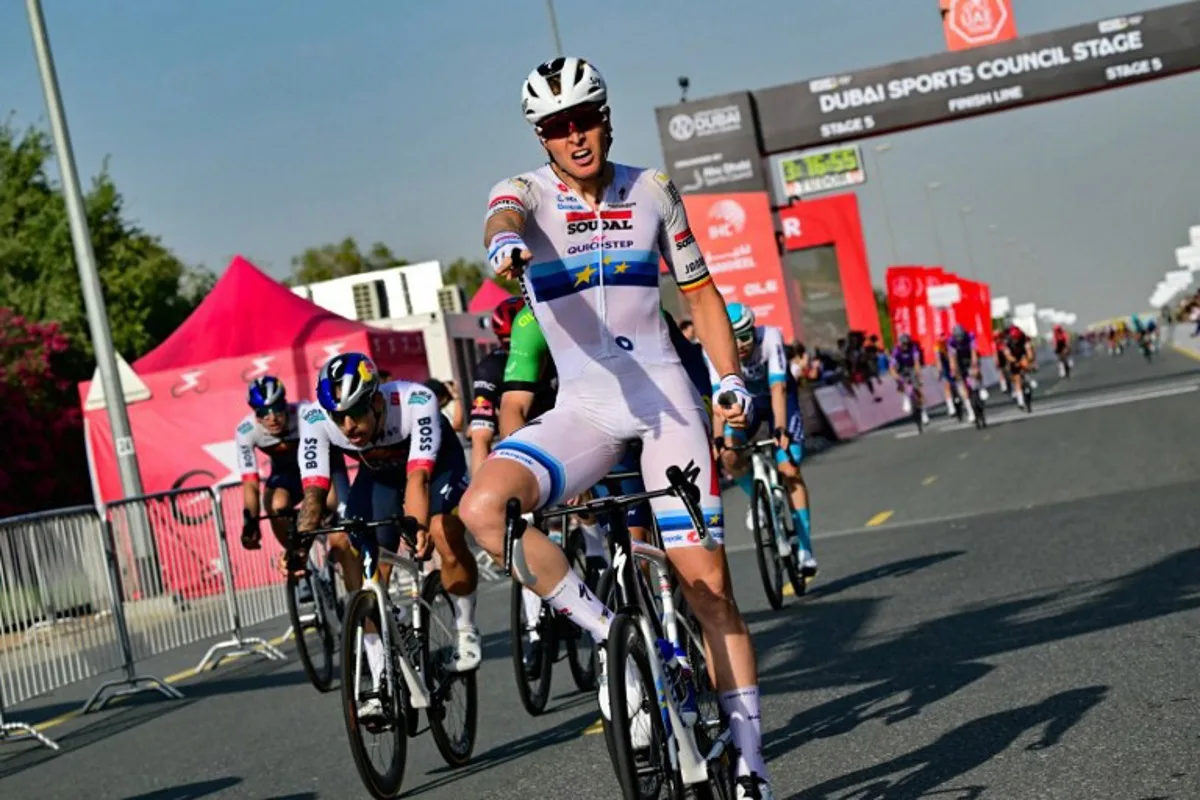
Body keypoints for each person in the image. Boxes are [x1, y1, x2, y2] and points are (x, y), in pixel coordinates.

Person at [458, 57, 773, 798]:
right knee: (480, 507)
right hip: (586, 412)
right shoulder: (526, 194)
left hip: (664, 405)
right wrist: (505, 244)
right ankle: (615, 639)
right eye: (557, 128)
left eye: (586, 118)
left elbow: (700, 294)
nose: (575, 136)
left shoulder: (653, 191)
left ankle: (752, 762)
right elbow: (500, 216)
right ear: (542, 136)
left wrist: (728, 379)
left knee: (709, 590)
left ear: (606, 115)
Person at [296, 353, 480, 720]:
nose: (348, 426)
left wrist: (416, 525)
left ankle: (464, 628)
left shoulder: (415, 402)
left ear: (377, 401)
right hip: (381, 475)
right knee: (367, 568)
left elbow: (418, 479)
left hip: (436, 467)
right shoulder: (317, 420)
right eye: (339, 417)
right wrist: (300, 536)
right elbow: (315, 493)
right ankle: (382, 678)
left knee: (442, 532)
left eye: (356, 413)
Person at [708, 303, 817, 578]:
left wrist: (780, 429)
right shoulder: (715, 349)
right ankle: (755, 498)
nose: (742, 345)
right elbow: (719, 399)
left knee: (789, 470)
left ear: (754, 331)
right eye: (735, 339)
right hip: (747, 405)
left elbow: (778, 387)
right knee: (730, 457)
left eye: (746, 336)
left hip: (780, 401)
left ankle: (805, 548)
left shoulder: (771, 337)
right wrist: (718, 438)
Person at [467, 295, 527, 476]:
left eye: (525, 341)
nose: (519, 350)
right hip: (521, 434)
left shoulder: (558, 354)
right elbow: (480, 438)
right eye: (510, 344)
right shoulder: (491, 368)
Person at [890, 334, 929, 426]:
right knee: (899, 381)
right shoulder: (896, 351)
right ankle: (905, 398)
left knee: (917, 389)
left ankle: (923, 413)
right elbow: (892, 367)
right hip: (901, 369)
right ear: (900, 344)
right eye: (903, 344)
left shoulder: (913, 348)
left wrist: (918, 375)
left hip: (911, 368)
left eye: (907, 344)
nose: (905, 346)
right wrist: (896, 376)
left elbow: (917, 362)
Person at [947, 325, 979, 422]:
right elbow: (952, 358)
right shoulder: (951, 341)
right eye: (958, 337)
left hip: (969, 357)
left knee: (976, 370)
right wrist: (954, 370)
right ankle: (970, 412)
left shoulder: (970, 336)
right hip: (959, 360)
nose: (960, 339)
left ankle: (980, 388)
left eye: (961, 336)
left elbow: (974, 352)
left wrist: (974, 365)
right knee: (961, 385)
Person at [1003, 324, 1035, 408]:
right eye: (1014, 339)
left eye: (1018, 338)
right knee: (1017, 379)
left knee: (1026, 363)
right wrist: (1014, 361)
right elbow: (1007, 355)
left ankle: (1028, 378)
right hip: (1013, 356)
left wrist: (1029, 360)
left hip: (1022, 354)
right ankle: (1020, 401)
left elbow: (1029, 352)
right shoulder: (1007, 342)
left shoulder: (1024, 339)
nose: (1016, 340)